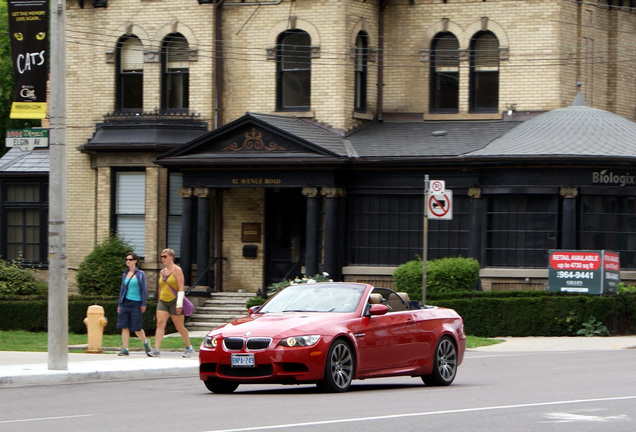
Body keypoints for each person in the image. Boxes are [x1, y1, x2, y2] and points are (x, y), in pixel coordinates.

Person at [148, 248, 194, 358]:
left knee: (179, 326)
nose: (163, 259)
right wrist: (159, 300)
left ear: (171, 257)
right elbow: (161, 287)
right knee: (160, 323)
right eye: (162, 256)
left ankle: (188, 347)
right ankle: (156, 349)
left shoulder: (177, 270)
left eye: (165, 256)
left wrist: (179, 304)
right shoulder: (162, 272)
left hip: (175, 301)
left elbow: (181, 288)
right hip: (163, 301)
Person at [116, 252, 151, 356]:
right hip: (125, 302)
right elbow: (122, 290)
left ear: (135, 261)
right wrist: (119, 304)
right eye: (126, 259)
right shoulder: (125, 274)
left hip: (136, 303)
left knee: (136, 328)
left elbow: (144, 289)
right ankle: (125, 349)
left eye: (130, 259)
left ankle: (145, 342)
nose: (128, 261)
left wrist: (143, 303)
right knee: (124, 326)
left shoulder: (140, 274)